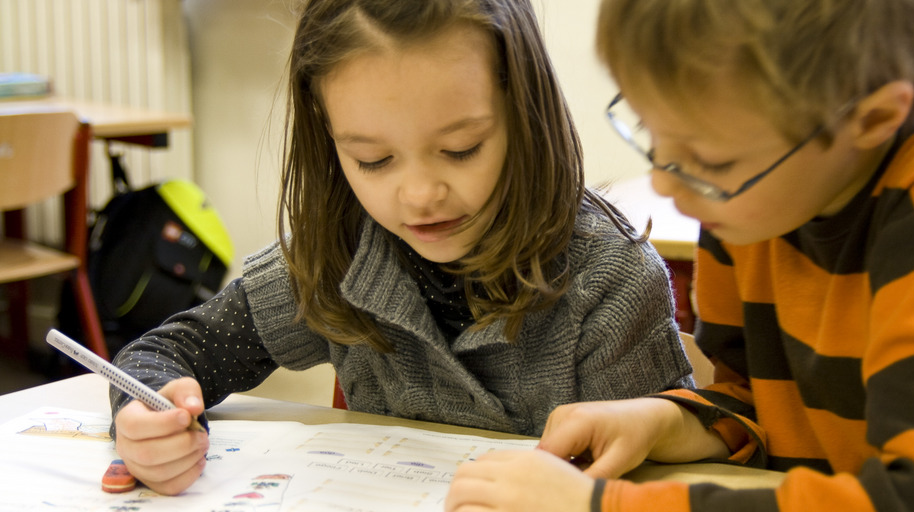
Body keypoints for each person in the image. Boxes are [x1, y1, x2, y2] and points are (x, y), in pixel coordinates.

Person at [445, 0, 914, 511]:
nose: (668, 184)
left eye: (710, 161)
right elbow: (759, 402)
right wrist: (666, 421)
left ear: (873, 119)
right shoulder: (756, 201)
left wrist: (610, 507)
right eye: (652, 132)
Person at [108, 0, 696, 496]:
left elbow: (662, 484)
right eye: (374, 160)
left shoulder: (609, 280)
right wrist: (150, 415)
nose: (419, 196)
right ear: (328, 137)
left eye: (462, 147)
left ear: (526, 113)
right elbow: (170, 351)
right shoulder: (337, 255)